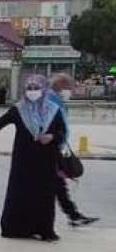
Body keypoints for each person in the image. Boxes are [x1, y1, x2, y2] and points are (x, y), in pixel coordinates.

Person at [0, 76, 68, 241]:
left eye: (36, 88)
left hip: (46, 160)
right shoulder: (19, 110)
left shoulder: (53, 110)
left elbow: (62, 132)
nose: (32, 92)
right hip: (23, 160)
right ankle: (15, 228)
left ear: (43, 90)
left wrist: (52, 137)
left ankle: (44, 229)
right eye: (29, 88)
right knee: (20, 192)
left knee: (44, 194)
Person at [48, 74, 97, 227]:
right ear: (60, 85)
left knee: (58, 185)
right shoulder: (50, 100)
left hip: (58, 145)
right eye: (68, 87)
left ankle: (73, 215)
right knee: (54, 185)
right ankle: (73, 215)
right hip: (51, 148)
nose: (70, 91)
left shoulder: (58, 100)